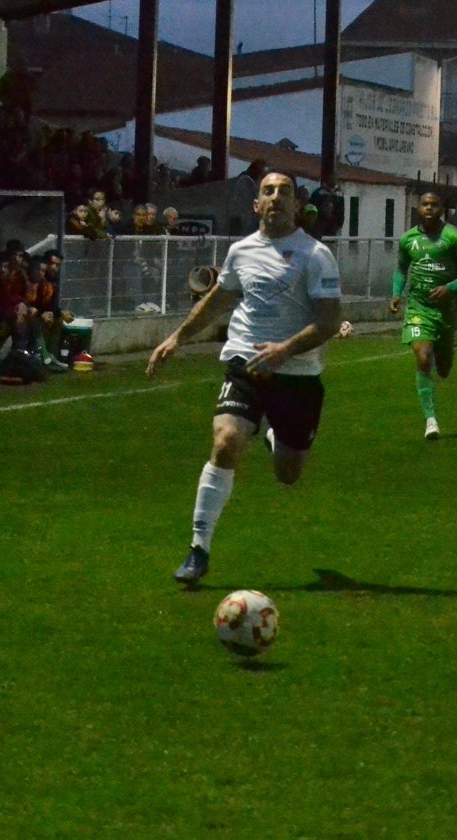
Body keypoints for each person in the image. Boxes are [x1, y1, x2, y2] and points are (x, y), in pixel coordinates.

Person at [146, 170, 342, 587]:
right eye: (267, 191)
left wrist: (285, 350)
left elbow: (329, 322)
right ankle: (198, 550)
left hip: (297, 374)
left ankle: (275, 436)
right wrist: (177, 337)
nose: (275, 198)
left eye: (284, 192)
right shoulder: (240, 252)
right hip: (245, 363)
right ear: (256, 205)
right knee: (226, 441)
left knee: (288, 474)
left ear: (296, 205)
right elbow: (219, 298)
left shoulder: (316, 255)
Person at [388, 192, 457, 439]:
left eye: (434, 204)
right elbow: (401, 269)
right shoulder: (408, 239)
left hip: (447, 312)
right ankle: (431, 421)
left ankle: (447, 351)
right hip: (419, 308)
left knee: (443, 369)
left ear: (442, 208)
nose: (429, 208)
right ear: (418, 208)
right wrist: (396, 293)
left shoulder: (454, 237)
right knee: (422, 356)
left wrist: (450, 288)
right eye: (425, 204)